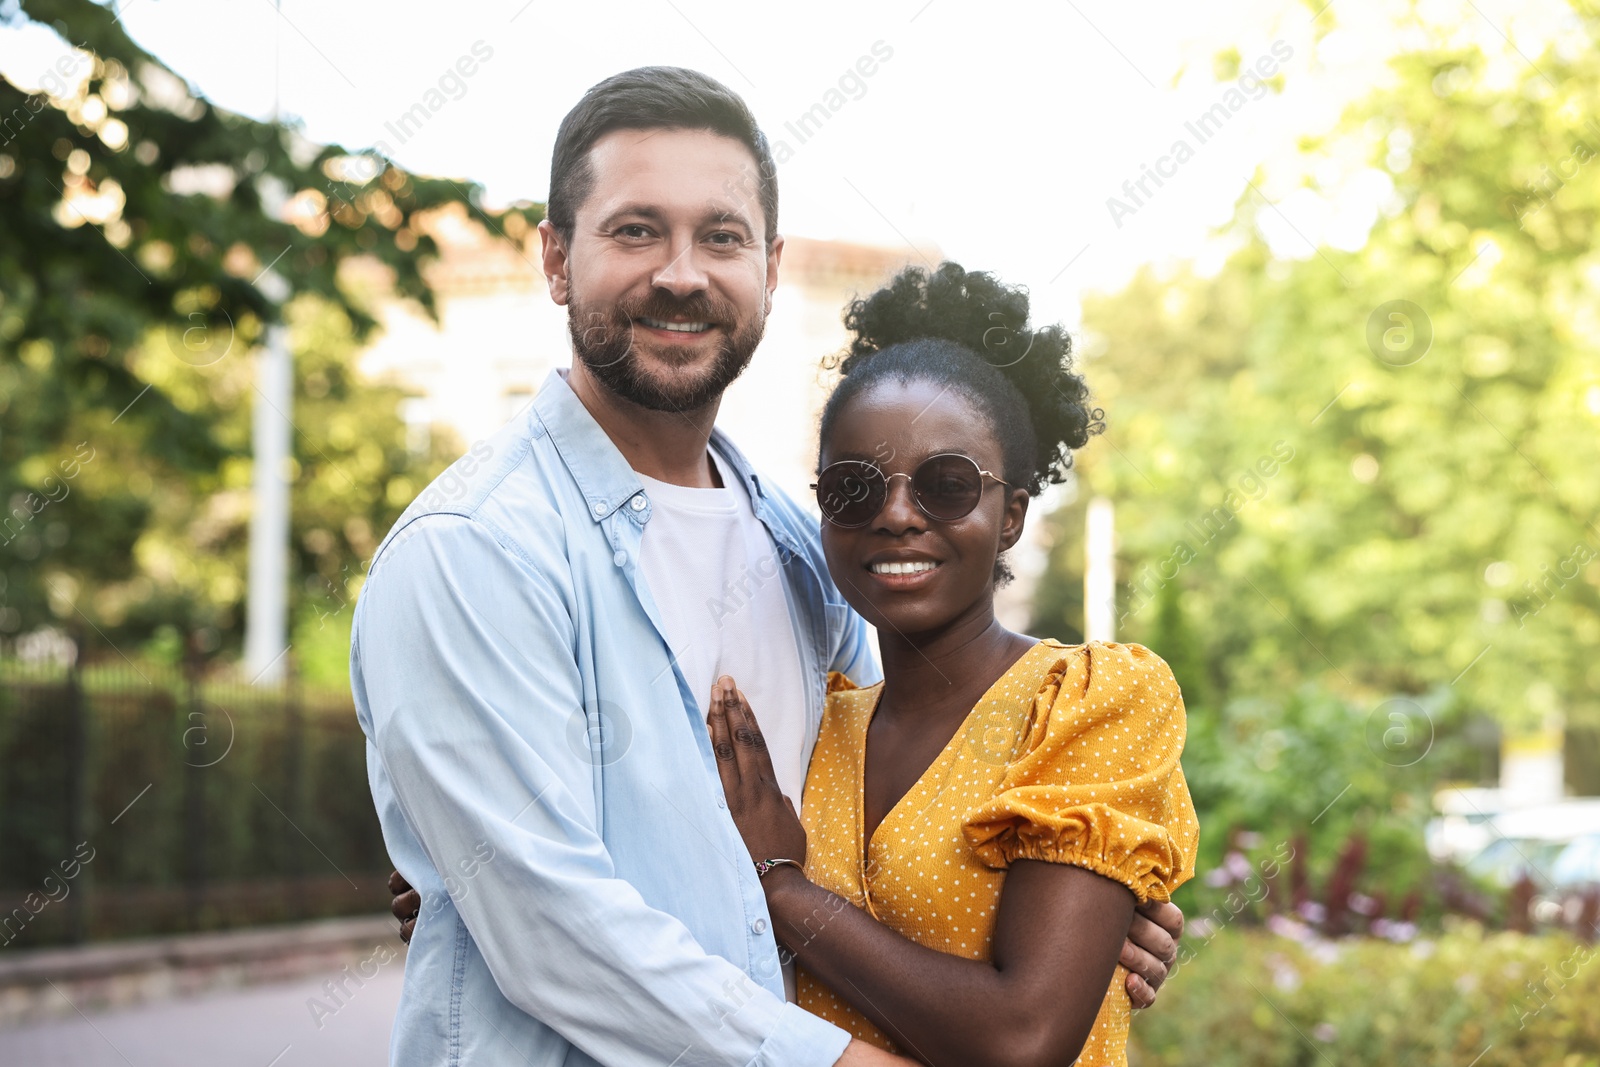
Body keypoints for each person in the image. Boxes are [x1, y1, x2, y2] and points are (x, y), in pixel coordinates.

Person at [358, 66, 1181, 1066]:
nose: (680, 273)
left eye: (720, 235)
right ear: (555, 257)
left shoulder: (812, 559)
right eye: (633, 230)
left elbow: (885, 857)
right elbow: (554, 933)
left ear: (770, 268)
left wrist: (1079, 918)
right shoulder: (476, 549)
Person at [707, 263, 1199, 1066]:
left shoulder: (1090, 702)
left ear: (1010, 516)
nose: (897, 515)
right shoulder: (806, 723)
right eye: (855, 487)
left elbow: (1023, 1038)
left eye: (946, 484)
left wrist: (787, 890)